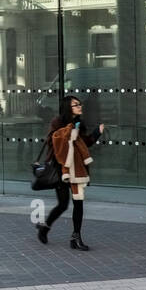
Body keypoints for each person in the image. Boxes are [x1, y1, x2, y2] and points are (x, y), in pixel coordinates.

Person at [36, 94, 104, 251]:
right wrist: (68, 133)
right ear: (68, 107)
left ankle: (76, 237)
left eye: (80, 104)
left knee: (78, 203)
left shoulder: (79, 122)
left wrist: (97, 133)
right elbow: (52, 141)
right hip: (61, 168)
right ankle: (45, 228)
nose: (80, 106)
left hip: (77, 168)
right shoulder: (58, 122)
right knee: (63, 204)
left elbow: (85, 143)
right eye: (76, 105)